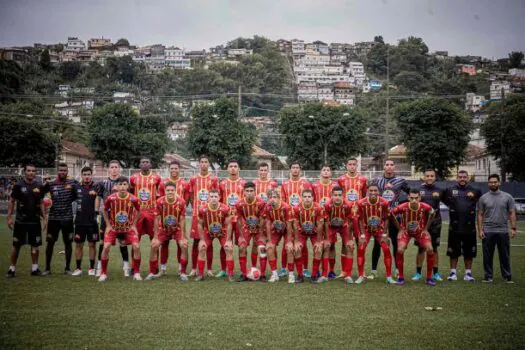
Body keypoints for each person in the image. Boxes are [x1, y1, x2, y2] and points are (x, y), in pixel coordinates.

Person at [369, 159, 410, 279]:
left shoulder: (400, 181)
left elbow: (412, 194)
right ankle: (373, 271)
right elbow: (370, 195)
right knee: (377, 244)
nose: (389, 167)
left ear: (394, 167)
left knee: (395, 243)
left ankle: (397, 269)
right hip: (380, 218)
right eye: (387, 165)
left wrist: (402, 205)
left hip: (395, 217)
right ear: (384, 167)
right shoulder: (377, 181)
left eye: (392, 165)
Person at [98, 177, 142, 282]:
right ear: (116, 186)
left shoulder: (133, 198)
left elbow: (139, 211)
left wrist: (134, 225)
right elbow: (104, 210)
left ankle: (136, 272)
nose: (122, 187)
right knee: (106, 246)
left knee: (136, 246)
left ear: (128, 186)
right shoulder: (111, 198)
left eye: (125, 184)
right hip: (114, 228)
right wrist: (108, 225)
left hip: (128, 228)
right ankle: (103, 273)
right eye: (120, 184)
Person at [5, 164, 45, 277]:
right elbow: (12, 201)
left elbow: (41, 203)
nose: (31, 173)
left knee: (35, 246)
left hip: (35, 221)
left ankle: (35, 269)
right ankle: (11, 269)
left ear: (35, 172)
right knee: (16, 246)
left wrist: (44, 218)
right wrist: (9, 217)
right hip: (21, 221)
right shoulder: (18, 185)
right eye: (29, 171)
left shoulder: (39, 186)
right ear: (25, 172)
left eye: (33, 171)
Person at [442, 170, 482, 282]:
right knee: (453, 251)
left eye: (465, 177)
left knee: (469, 251)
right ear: (457, 178)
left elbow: (481, 205)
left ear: (468, 178)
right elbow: (445, 201)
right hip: (454, 226)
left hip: (469, 227)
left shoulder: (476, 191)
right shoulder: (449, 190)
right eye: (460, 177)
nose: (462, 179)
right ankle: (452, 273)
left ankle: (468, 274)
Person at [391, 189, 436, 286]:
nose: (414, 200)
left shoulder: (425, 206)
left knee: (430, 249)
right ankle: (401, 277)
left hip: (420, 232)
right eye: (412, 198)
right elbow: (392, 214)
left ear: (419, 198)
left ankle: (429, 278)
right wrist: (400, 229)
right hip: (406, 232)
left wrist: (426, 228)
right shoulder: (403, 207)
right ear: (408, 198)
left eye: (416, 198)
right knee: (400, 249)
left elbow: (433, 213)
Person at [477, 174, 516, 283]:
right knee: (487, 256)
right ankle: (488, 276)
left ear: (499, 183)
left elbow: (512, 212)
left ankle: (507, 276)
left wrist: (513, 228)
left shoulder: (508, 197)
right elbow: (480, 214)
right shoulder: (483, 198)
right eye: (491, 182)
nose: (493, 184)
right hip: (488, 231)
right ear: (488, 183)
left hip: (503, 231)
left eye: (495, 182)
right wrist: (480, 230)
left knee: (505, 255)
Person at [355, 184, 396, 284]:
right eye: (371, 190)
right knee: (361, 248)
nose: (373, 192)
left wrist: (385, 233)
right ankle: (361, 276)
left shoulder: (384, 202)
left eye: (375, 190)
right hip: (366, 230)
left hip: (380, 230)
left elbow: (387, 218)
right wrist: (362, 234)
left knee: (386, 248)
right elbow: (359, 219)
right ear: (367, 192)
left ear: (379, 192)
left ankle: (389, 277)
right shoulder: (361, 203)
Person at [129, 157, 162, 280]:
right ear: (139, 164)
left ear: (150, 164)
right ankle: (134, 266)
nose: (145, 164)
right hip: (138, 213)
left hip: (152, 212)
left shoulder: (156, 178)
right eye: (143, 162)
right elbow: (131, 193)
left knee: (154, 240)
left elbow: (160, 193)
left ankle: (155, 265)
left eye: (147, 162)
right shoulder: (133, 178)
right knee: (135, 240)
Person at [96, 160, 130, 277]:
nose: (114, 169)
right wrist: (96, 213)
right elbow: (98, 198)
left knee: (122, 242)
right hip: (107, 217)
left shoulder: (124, 182)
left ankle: (126, 267)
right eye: (112, 167)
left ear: (119, 169)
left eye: (116, 167)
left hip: (121, 218)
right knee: (103, 242)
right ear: (108, 169)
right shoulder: (103, 183)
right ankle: (100, 267)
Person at [42, 163, 77, 275]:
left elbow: (78, 194)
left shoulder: (73, 183)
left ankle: (67, 269)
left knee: (68, 243)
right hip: (53, 219)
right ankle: (47, 268)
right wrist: (43, 212)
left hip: (67, 218)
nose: (63, 172)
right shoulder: (51, 184)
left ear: (67, 172)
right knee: (50, 243)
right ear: (57, 171)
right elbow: (40, 195)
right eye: (61, 170)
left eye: (65, 170)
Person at [412, 169, 446, 282]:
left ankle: (435, 273)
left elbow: (450, 202)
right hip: (421, 225)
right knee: (421, 248)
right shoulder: (419, 190)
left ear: (435, 177)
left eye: (432, 176)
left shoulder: (440, 190)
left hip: (435, 224)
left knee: (434, 249)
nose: (430, 178)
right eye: (427, 176)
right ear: (424, 177)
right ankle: (418, 273)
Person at [188, 155, 219, 277]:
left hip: (210, 215)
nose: (204, 164)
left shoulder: (214, 179)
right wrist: (196, 207)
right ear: (199, 164)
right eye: (202, 162)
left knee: (209, 242)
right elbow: (191, 196)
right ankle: (194, 268)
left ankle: (209, 269)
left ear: (208, 164)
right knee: (196, 242)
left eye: (206, 162)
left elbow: (216, 196)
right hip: (197, 215)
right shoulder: (193, 179)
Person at [337, 158, 368, 278]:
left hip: (359, 216)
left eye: (354, 164)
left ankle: (362, 271)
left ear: (357, 165)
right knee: (345, 243)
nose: (352, 166)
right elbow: (338, 197)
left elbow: (365, 196)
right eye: (350, 164)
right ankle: (343, 271)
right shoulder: (341, 179)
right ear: (346, 166)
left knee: (360, 243)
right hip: (346, 216)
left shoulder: (363, 179)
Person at [158, 161, 189, 276]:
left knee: (180, 244)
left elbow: (186, 199)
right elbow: (160, 199)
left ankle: (181, 268)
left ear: (179, 169)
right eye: (172, 168)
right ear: (169, 169)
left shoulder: (185, 183)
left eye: (176, 168)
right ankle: (163, 268)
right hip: (165, 219)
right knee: (164, 244)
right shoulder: (163, 183)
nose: (174, 170)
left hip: (179, 217)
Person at [195, 189, 234, 282]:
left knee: (229, 248)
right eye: (211, 196)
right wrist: (201, 240)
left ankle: (231, 275)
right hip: (208, 232)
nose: (213, 198)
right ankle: (200, 274)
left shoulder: (225, 208)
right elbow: (200, 224)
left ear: (219, 198)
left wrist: (228, 240)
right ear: (208, 198)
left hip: (222, 232)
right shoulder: (202, 209)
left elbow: (229, 224)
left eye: (215, 196)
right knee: (202, 248)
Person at [280, 161, 312, 277]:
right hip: (288, 219)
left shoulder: (306, 184)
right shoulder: (285, 184)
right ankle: (284, 268)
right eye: (293, 167)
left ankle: (305, 269)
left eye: (297, 168)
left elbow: (310, 201)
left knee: (302, 246)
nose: (295, 170)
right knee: (286, 244)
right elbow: (282, 202)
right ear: (290, 170)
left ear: (300, 169)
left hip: (303, 219)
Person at [218, 160, 246, 278]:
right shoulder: (222, 184)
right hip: (226, 220)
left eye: (235, 166)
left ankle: (243, 271)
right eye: (231, 166)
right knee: (224, 245)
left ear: (239, 168)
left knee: (241, 245)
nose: (233, 168)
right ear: (227, 169)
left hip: (240, 220)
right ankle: (224, 270)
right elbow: (219, 202)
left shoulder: (244, 184)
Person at [323, 186, 357, 284]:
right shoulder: (327, 205)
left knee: (349, 246)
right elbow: (325, 221)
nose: (337, 197)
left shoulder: (348, 205)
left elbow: (350, 221)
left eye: (339, 195)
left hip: (344, 226)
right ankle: (325, 275)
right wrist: (326, 237)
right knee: (327, 245)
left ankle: (348, 275)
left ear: (343, 196)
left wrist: (350, 238)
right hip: (330, 226)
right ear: (331, 196)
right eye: (335, 195)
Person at [235, 182, 267, 281]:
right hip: (246, 228)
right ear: (244, 192)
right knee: (242, 248)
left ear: (255, 192)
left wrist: (261, 235)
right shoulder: (239, 204)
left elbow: (262, 220)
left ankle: (262, 275)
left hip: (259, 228)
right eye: (247, 191)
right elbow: (239, 220)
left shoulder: (261, 203)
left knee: (261, 248)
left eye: (251, 191)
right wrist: (240, 235)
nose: (249, 193)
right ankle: (244, 274)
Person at [71, 167, 100, 277]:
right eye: (85, 174)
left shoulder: (96, 187)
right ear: (82, 175)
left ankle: (92, 268)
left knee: (92, 245)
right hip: (79, 222)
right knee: (79, 245)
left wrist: (97, 215)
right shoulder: (76, 187)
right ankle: (78, 268)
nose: (87, 176)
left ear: (91, 175)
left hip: (92, 222)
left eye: (88, 174)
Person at [263, 189, 295, 283]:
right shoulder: (267, 207)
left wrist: (289, 241)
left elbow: (289, 225)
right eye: (270, 197)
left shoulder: (286, 207)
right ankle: (274, 274)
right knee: (269, 247)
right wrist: (269, 240)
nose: (272, 199)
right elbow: (268, 223)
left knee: (289, 248)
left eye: (275, 197)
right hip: (276, 229)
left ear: (279, 198)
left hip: (287, 229)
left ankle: (291, 274)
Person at [293, 189, 325, 283]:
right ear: (301, 198)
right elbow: (295, 225)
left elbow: (320, 225)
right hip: (301, 233)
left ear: (313, 198)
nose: (307, 199)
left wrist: (319, 242)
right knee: (297, 248)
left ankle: (314, 276)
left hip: (315, 233)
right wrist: (296, 241)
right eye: (305, 197)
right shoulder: (296, 208)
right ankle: (300, 276)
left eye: (309, 197)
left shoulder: (318, 208)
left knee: (318, 249)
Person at [312, 165, 337, 278]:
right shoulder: (315, 185)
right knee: (318, 245)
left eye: (328, 170)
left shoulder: (335, 185)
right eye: (324, 170)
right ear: (320, 172)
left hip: (332, 219)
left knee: (331, 246)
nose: (326, 172)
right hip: (318, 220)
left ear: (331, 173)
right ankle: (317, 270)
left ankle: (330, 270)